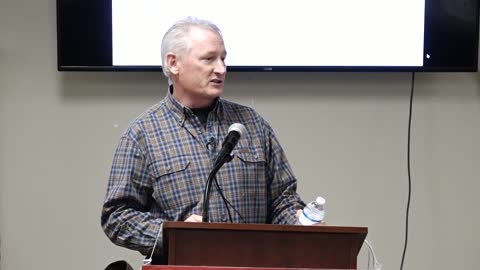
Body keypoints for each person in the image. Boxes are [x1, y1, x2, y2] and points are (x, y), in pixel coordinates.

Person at [101, 17, 305, 262]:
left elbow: (283, 199)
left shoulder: (252, 124)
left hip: (253, 264)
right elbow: (117, 216)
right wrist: (173, 234)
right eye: (209, 59)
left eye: (223, 58)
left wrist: (302, 222)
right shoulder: (142, 134)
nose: (221, 68)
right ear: (173, 63)